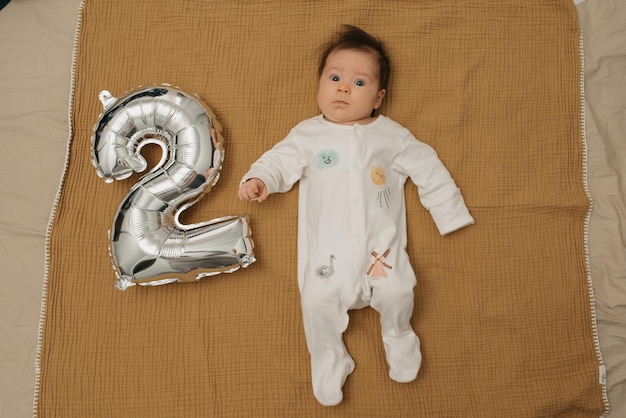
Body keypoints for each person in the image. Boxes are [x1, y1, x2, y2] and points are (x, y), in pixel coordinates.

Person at [238, 25, 474, 406]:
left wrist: (449, 213)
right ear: (319, 86)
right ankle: (330, 355)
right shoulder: (307, 135)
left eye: (358, 82)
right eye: (334, 78)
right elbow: (278, 161)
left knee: (399, 291)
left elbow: (428, 167)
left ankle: (397, 334)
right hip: (327, 259)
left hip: (381, 253)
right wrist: (260, 178)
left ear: (378, 97)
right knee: (315, 303)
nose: (343, 88)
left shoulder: (392, 136)